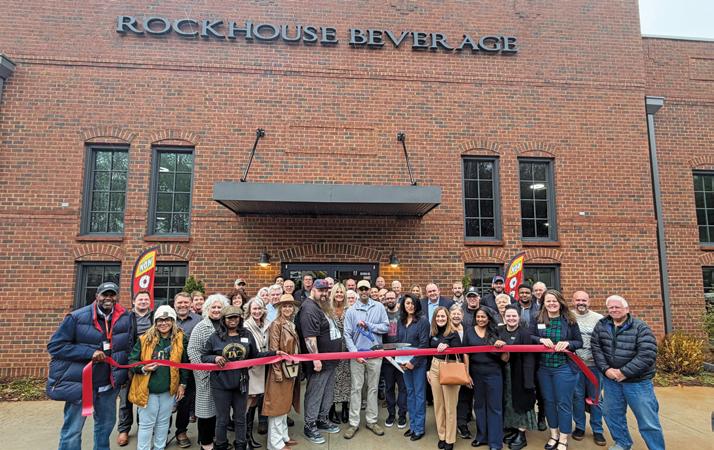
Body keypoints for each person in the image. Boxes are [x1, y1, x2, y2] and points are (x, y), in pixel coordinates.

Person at [47, 281, 133, 450]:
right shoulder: (76, 317)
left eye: (112, 295)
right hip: (81, 385)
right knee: (72, 430)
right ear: (96, 296)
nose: (108, 298)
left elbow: (127, 346)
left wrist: (125, 372)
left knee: (105, 427)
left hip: (109, 385)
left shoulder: (125, 317)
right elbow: (55, 346)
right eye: (104, 294)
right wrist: (89, 353)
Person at [201, 305, 284, 450]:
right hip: (220, 384)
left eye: (236, 317)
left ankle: (241, 445)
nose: (233, 320)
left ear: (240, 318)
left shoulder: (247, 334)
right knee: (222, 419)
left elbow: (255, 355)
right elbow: (204, 356)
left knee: (241, 418)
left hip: (241, 383)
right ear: (223, 319)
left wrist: (274, 353)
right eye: (229, 318)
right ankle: (221, 445)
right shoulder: (215, 337)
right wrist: (215, 358)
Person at [591, 295, 663, 450]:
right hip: (611, 382)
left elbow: (647, 354)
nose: (614, 310)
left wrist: (624, 372)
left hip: (637, 383)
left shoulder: (640, 327)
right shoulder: (601, 325)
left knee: (648, 421)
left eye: (617, 307)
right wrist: (606, 369)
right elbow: (596, 348)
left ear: (627, 309)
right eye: (611, 307)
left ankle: (656, 447)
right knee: (612, 415)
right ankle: (622, 443)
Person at [128, 305, 189, 450]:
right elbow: (132, 361)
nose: (164, 323)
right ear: (155, 322)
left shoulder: (180, 338)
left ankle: (159, 447)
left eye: (167, 319)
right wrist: (143, 368)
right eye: (160, 320)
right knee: (146, 424)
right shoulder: (144, 339)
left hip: (169, 389)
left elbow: (185, 363)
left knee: (163, 422)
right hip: (148, 389)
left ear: (173, 321)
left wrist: (183, 384)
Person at [529, 289, 583, 450]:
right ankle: (554, 435)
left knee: (563, 403)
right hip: (544, 369)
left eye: (554, 301)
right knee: (549, 402)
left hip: (564, 368)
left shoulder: (569, 319)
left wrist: (568, 343)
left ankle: (564, 438)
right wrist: (540, 339)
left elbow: (579, 342)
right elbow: (529, 336)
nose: (551, 303)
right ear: (543, 303)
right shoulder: (537, 318)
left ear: (560, 302)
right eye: (548, 301)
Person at [295, 279, 342, 444]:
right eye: (321, 290)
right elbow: (310, 338)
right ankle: (310, 425)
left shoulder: (321, 306)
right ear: (312, 290)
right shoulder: (309, 309)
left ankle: (322, 419)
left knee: (327, 393)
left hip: (330, 361)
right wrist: (316, 359)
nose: (324, 293)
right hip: (319, 362)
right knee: (315, 393)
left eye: (326, 290)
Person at [343, 279, 389, 439]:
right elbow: (347, 334)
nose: (363, 291)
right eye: (361, 289)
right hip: (357, 356)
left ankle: (371, 421)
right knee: (356, 389)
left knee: (373, 388)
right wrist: (355, 353)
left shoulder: (379, 307)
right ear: (357, 290)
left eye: (366, 289)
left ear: (370, 290)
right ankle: (353, 423)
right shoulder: (351, 311)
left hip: (375, 355)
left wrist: (369, 325)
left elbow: (386, 327)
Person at [187, 293, 230, 450]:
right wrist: (203, 372)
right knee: (206, 412)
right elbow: (193, 351)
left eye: (220, 307)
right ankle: (206, 444)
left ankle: (218, 440)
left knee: (220, 412)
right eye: (214, 307)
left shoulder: (227, 326)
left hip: (224, 377)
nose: (217, 310)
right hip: (206, 376)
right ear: (207, 309)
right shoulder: (201, 327)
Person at [462, 307, 505, 450]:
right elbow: (465, 353)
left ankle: (495, 442)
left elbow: (505, 357)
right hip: (476, 373)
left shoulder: (496, 331)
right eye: (478, 317)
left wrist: (503, 347)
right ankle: (482, 437)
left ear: (489, 318)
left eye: (483, 317)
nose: (480, 319)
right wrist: (466, 374)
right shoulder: (469, 331)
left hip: (494, 372)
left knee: (495, 407)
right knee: (479, 406)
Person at [495, 306, 537, 450]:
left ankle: (522, 434)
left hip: (520, 374)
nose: (511, 318)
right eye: (508, 316)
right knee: (509, 402)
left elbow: (529, 357)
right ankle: (514, 429)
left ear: (519, 317)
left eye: (514, 316)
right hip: (504, 374)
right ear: (504, 317)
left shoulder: (525, 333)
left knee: (521, 402)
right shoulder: (499, 331)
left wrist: (529, 380)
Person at [117, 290, 154, 447]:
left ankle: (143, 428)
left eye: (146, 299)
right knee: (125, 398)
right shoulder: (125, 318)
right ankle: (124, 429)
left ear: (150, 302)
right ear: (133, 302)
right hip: (129, 362)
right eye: (140, 299)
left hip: (148, 363)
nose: (143, 302)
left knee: (145, 397)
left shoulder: (155, 317)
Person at [263, 295, 301, 450]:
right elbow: (274, 351)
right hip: (279, 371)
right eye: (284, 306)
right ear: (280, 308)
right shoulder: (276, 324)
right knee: (277, 408)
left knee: (284, 406)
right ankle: (275, 444)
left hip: (289, 370)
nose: (287, 308)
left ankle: (283, 437)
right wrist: (277, 373)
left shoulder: (291, 324)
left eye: (290, 306)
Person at [570, 290, 606, 446]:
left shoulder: (599, 319)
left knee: (595, 398)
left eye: (584, 300)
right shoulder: (568, 317)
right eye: (578, 300)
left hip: (594, 367)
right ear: (573, 302)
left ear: (589, 302)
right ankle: (579, 427)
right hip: (575, 365)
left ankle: (598, 429)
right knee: (577, 397)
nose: (581, 303)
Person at [428, 306, 462, 450]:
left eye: (443, 316)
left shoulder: (453, 333)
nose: (440, 319)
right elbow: (429, 352)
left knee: (450, 406)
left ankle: (450, 438)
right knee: (438, 405)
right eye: (438, 316)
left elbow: (459, 351)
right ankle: (442, 435)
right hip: (434, 367)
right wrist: (428, 371)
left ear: (447, 318)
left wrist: (448, 345)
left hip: (449, 368)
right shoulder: (433, 333)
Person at [397, 294, 430, 441]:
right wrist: (399, 361)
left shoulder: (423, 321)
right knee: (410, 394)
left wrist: (413, 362)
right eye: (407, 303)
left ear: (417, 305)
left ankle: (419, 428)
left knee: (419, 395)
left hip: (418, 364)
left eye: (412, 303)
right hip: (404, 364)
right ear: (403, 305)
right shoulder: (401, 321)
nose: (410, 306)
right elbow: (399, 342)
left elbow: (424, 344)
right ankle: (412, 426)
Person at [174, 292, 202, 448]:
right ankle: (162, 431)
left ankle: (181, 431)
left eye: (186, 302)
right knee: (165, 401)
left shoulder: (199, 320)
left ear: (191, 304)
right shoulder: (168, 318)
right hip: (169, 367)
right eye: (180, 302)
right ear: (174, 304)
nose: (183, 305)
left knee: (185, 401)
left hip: (190, 368)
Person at [244, 297, 270, 447]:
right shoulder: (245, 326)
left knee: (254, 400)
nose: (257, 311)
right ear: (249, 310)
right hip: (251, 370)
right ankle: (244, 438)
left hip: (263, 368)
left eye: (259, 308)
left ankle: (249, 436)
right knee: (248, 402)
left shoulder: (267, 324)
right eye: (254, 308)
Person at [382, 290, 407, 429]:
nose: (390, 300)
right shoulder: (382, 314)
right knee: (389, 387)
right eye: (388, 298)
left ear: (397, 298)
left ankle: (402, 414)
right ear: (385, 300)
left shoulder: (403, 314)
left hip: (401, 357)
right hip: (387, 358)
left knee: (403, 388)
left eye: (392, 297)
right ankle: (391, 414)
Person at [329, 283, 351, 424]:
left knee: (347, 379)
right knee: (333, 379)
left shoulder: (350, 309)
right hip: (332, 349)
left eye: (341, 292)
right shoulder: (327, 309)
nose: (339, 294)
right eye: (336, 292)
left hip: (347, 348)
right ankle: (331, 408)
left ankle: (344, 407)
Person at [451, 303, 473, 439]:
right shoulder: (446, 330)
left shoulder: (468, 329)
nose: (456, 316)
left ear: (462, 315)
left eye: (458, 313)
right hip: (451, 367)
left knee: (465, 395)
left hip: (467, 366)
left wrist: (467, 371)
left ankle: (462, 422)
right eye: (453, 313)